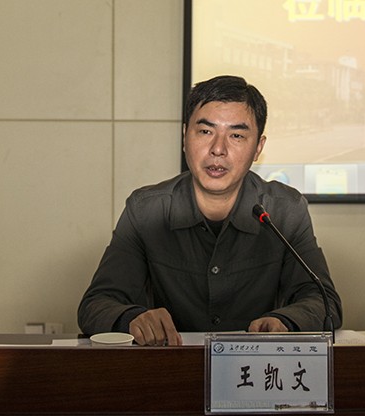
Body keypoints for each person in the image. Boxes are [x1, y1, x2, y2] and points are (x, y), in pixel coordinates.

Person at [78, 75, 342, 346]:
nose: (218, 149)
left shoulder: (285, 210)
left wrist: (285, 321)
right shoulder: (146, 210)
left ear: (258, 148)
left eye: (236, 135)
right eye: (205, 132)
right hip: (170, 364)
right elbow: (95, 305)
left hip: (256, 366)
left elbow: (325, 303)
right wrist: (132, 318)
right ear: (184, 137)